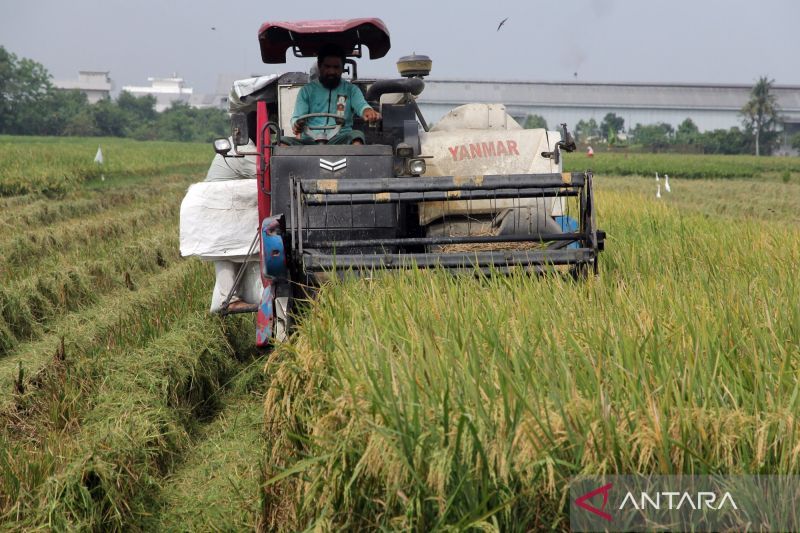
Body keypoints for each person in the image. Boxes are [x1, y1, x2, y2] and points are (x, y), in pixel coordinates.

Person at [204, 111, 258, 313]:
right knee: (226, 251)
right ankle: (229, 301)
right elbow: (268, 174)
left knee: (227, 252)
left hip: (225, 206)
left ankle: (227, 301)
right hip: (221, 208)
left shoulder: (240, 144)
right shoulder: (243, 148)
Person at [281, 43, 381, 145]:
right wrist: (297, 124)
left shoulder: (351, 90)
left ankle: (354, 161)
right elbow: (297, 117)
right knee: (283, 142)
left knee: (356, 137)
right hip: (310, 141)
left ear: (343, 68)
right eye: (327, 67)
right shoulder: (306, 91)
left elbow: (362, 106)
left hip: (339, 139)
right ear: (320, 66)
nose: (332, 71)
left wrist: (368, 111)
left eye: (336, 67)